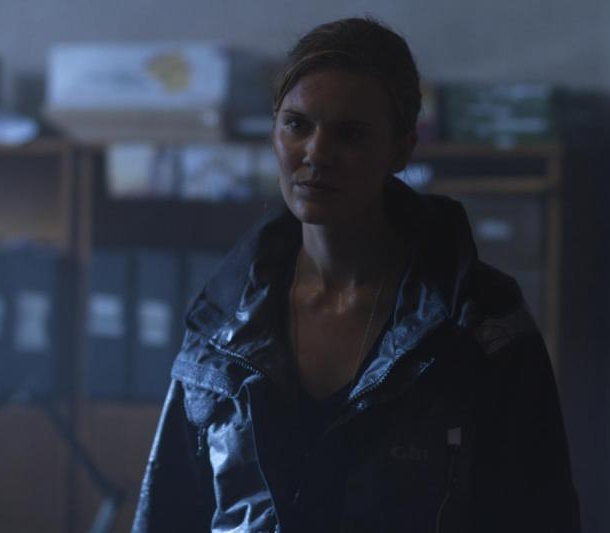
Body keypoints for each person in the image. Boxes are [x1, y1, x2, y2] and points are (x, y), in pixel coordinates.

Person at [132, 17, 580, 533]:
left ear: (401, 148)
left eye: (350, 134)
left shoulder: (477, 320)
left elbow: (539, 512)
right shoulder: (223, 318)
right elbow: (167, 511)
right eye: (297, 125)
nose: (316, 153)